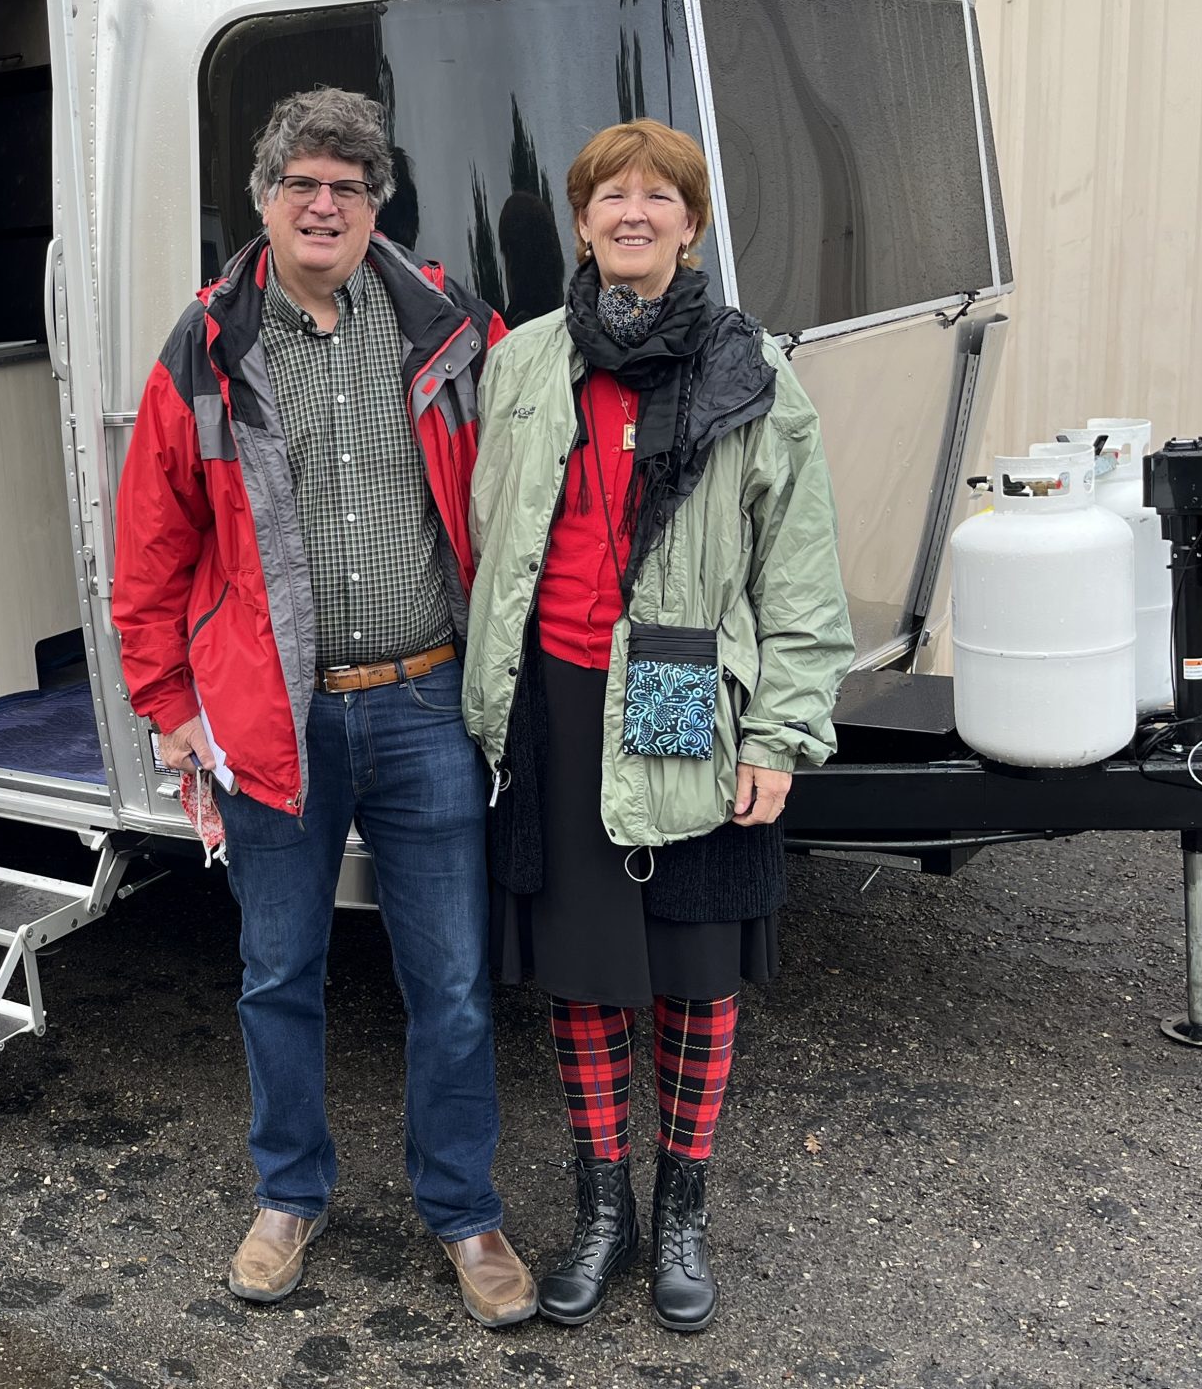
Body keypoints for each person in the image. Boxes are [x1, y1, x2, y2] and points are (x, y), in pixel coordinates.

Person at [112, 89, 534, 1327]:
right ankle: (288, 1196)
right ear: (263, 200)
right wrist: (167, 703)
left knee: (451, 983)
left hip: (424, 700)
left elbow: (536, 455)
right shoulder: (207, 346)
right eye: (301, 182)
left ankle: (463, 1212)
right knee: (278, 970)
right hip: (272, 720)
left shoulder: (449, 324)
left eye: (347, 186)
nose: (322, 204)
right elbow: (149, 543)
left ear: (375, 204)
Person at [461, 119, 852, 1333]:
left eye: (657, 196)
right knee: (582, 978)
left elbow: (798, 570)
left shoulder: (749, 371)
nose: (631, 212)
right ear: (580, 223)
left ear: (690, 223)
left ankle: (679, 1214)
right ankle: (601, 1215)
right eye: (608, 196)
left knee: (694, 972)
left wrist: (779, 735)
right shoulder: (523, 361)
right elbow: (486, 532)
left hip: (686, 691)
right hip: (556, 700)